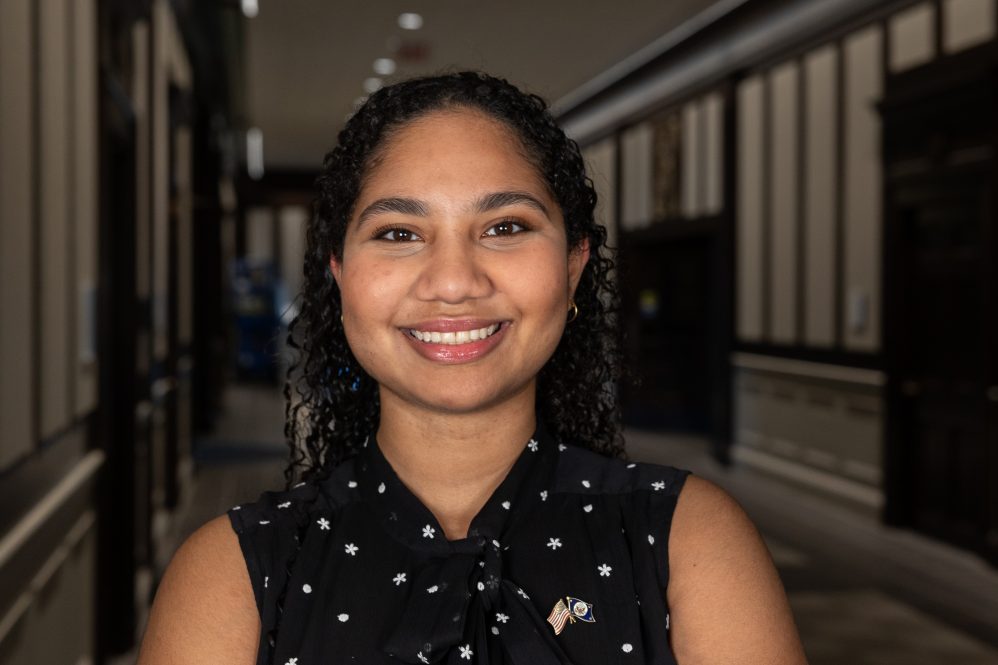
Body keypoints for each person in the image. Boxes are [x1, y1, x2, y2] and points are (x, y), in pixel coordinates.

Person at [137, 71, 808, 665]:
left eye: (506, 226)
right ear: (340, 278)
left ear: (573, 269)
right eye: (399, 233)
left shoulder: (688, 537)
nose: (454, 281)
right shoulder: (232, 572)